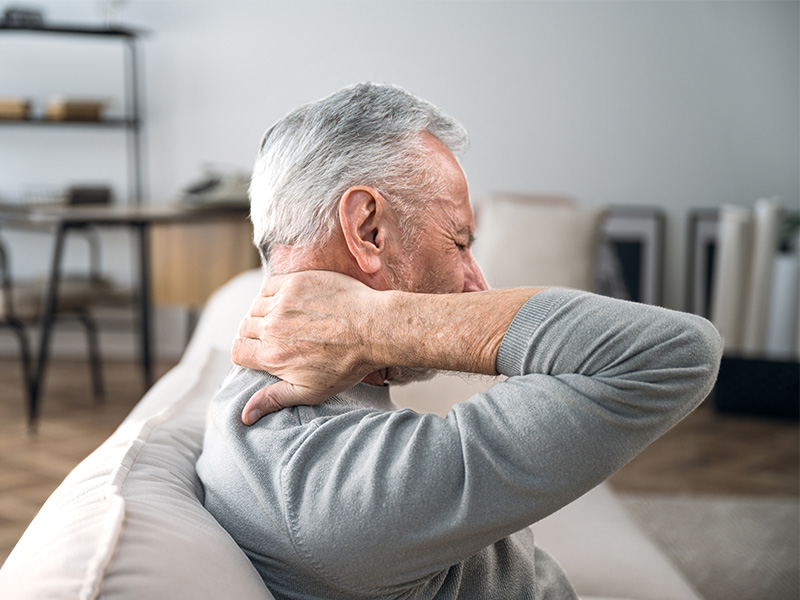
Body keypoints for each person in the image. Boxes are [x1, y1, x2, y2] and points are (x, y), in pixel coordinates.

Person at [196, 82, 722, 599]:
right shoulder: (323, 486)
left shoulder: (283, 418)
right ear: (368, 231)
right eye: (459, 242)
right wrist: (372, 323)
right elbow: (675, 352)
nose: (477, 284)